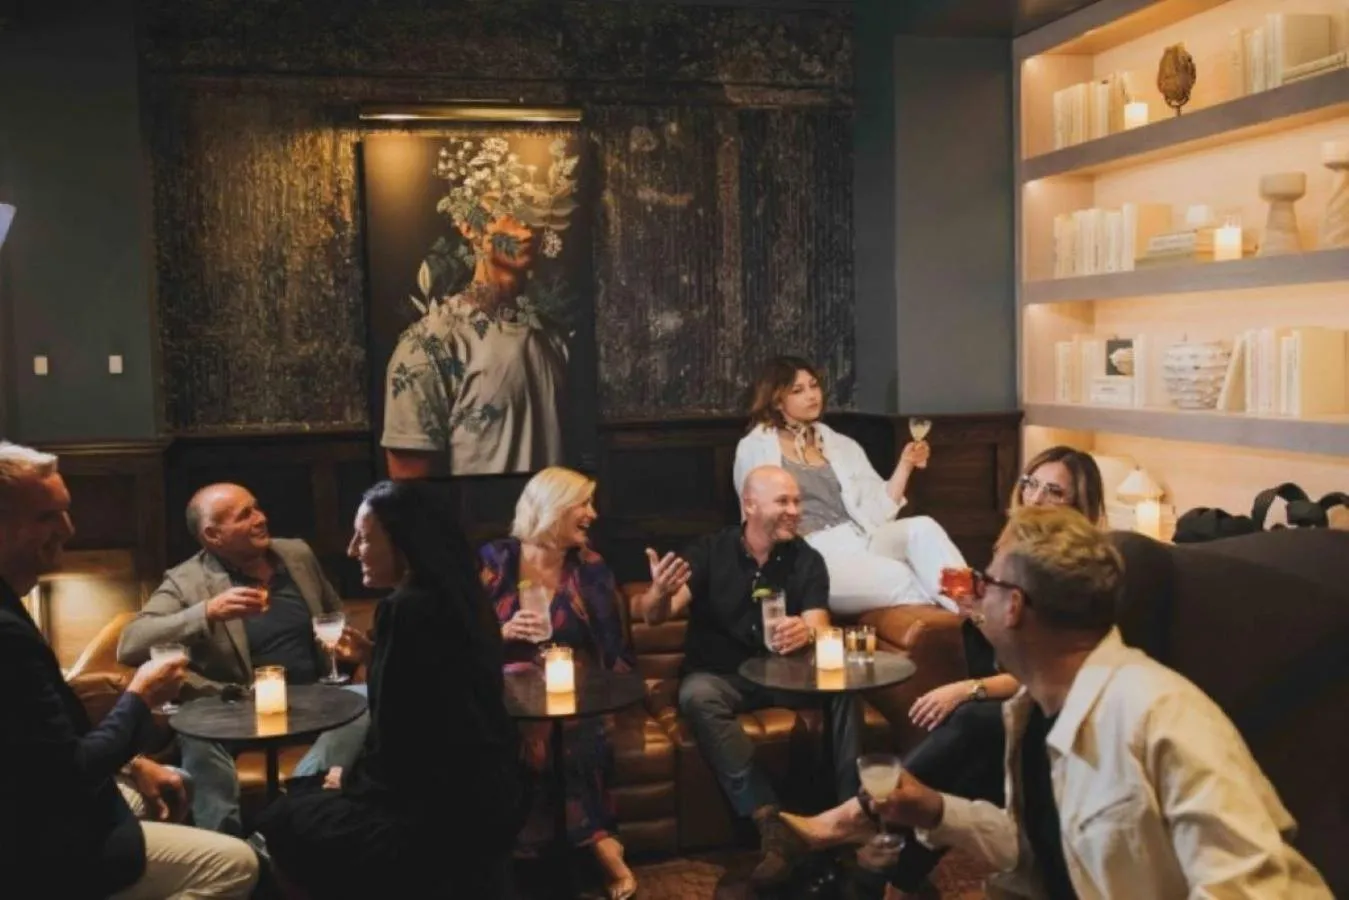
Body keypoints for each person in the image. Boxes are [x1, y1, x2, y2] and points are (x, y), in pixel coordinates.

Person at [790, 505, 1334, 899]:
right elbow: (1053, 849)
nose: (975, 596)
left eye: (987, 582)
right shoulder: (1032, 713)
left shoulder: (1162, 717)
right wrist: (938, 811)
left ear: (1014, 608)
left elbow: (1250, 890)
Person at [785, 445, 1107, 897]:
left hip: (1062, 709)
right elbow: (1012, 654)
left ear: (1078, 507)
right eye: (1031, 483)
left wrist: (966, 689)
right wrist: (980, 613)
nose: (1035, 497)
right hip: (1019, 706)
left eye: (1053, 492)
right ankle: (888, 875)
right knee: (969, 760)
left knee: (973, 722)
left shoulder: (1070, 572)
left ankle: (858, 817)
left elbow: (1047, 672)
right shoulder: (1012, 552)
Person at [0, 442, 259, 899]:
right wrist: (139, 696)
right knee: (235, 864)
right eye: (46, 517)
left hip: (45, 806)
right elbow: (68, 775)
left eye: (66, 512)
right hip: (36, 846)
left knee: (175, 781)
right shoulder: (8, 637)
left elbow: (42, 746)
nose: (70, 529)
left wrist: (135, 762)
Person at [255, 479, 523, 898]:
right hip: (490, 798)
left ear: (403, 540)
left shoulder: (404, 607)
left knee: (282, 815)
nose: (351, 550)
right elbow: (440, 699)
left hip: (431, 817)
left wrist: (350, 782)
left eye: (363, 538)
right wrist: (374, 654)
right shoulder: (461, 597)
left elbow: (403, 741)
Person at [642, 464, 858, 888]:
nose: (795, 510)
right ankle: (769, 821)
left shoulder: (806, 559)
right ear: (749, 504)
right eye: (784, 501)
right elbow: (654, 616)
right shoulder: (710, 551)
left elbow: (821, 625)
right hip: (724, 677)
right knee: (697, 694)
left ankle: (854, 814)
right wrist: (658, 593)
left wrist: (807, 629)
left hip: (786, 675)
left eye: (797, 501)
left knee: (845, 687)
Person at [117, 483, 370, 835]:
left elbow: (333, 615)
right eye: (244, 515)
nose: (260, 519)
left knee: (369, 699)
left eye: (257, 508)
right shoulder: (187, 580)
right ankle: (227, 844)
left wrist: (353, 652)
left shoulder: (295, 555)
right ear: (213, 535)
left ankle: (294, 802)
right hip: (237, 707)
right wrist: (207, 612)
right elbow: (130, 643)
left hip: (313, 698)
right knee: (195, 731)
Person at [381, 134, 579, 478]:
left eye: (532, 212)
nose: (527, 229)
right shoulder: (431, 345)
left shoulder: (553, 338)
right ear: (468, 226)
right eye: (510, 214)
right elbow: (410, 483)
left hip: (549, 530)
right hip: (480, 530)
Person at [483, 466, 639, 900]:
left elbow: (611, 645)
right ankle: (597, 845)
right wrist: (503, 632)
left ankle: (583, 847)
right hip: (507, 688)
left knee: (571, 720)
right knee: (527, 718)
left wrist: (614, 697)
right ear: (551, 507)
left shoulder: (590, 567)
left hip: (571, 683)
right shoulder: (495, 561)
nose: (593, 513)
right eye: (583, 504)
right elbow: (459, 637)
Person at [733, 356, 965, 615]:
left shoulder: (839, 444)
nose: (812, 396)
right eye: (798, 391)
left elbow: (877, 510)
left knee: (923, 527)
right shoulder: (756, 447)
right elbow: (754, 517)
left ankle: (978, 611)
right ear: (777, 400)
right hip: (813, 556)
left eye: (814, 386)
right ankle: (977, 616)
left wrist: (906, 464)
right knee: (904, 575)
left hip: (862, 538)